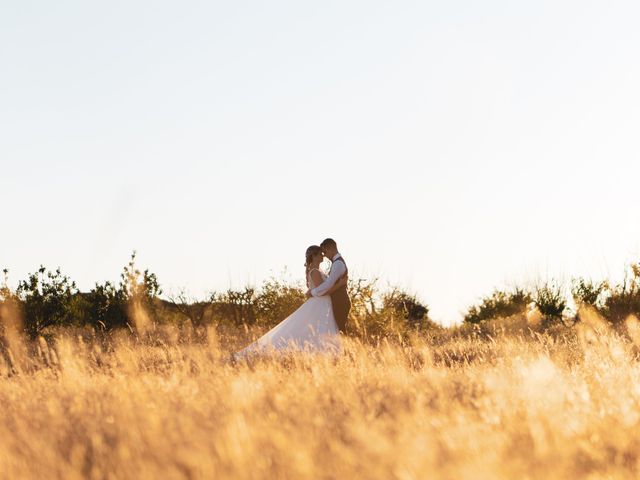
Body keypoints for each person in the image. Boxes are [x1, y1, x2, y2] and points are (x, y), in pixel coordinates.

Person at [234, 245, 347, 359]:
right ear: (313, 256)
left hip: (322, 304)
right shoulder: (315, 272)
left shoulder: (316, 271)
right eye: (319, 254)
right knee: (316, 330)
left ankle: (325, 355)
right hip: (320, 303)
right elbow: (322, 291)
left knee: (319, 330)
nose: (322, 255)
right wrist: (340, 285)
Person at [307, 238, 351, 333]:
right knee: (338, 330)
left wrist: (313, 292)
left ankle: (345, 347)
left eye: (324, 252)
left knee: (340, 330)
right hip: (334, 301)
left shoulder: (338, 263)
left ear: (330, 249)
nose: (324, 256)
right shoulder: (335, 263)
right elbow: (328, 285)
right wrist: (340, 284)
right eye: (321, 254)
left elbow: (328, 284)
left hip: (340, 301)